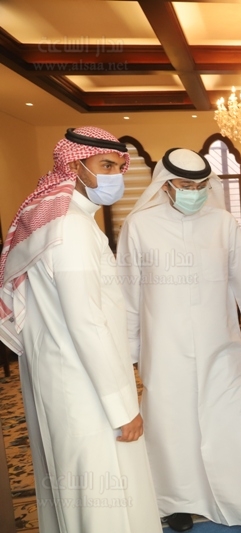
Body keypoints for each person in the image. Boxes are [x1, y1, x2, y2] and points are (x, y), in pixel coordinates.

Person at [117, 148, 241, 532]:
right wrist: (129, 352)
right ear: (166, 184)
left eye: (200, 185)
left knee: (231, 419)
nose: (193, 192)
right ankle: (174, 502)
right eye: (185, 185)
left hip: (220, 346)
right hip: (163, 349)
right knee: (170, 425)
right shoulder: (139, 225)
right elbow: (128, 294)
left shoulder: (222, 223)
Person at [0, 127, 161, 532]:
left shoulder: (54, 224)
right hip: (87, 388)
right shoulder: (71, 228)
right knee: (102, 498)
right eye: (106, 165)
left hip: (61, 377)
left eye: (119, 167)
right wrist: (123, 409)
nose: (116, 176)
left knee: (77, 488)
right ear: (74, 166)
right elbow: (86, 323)